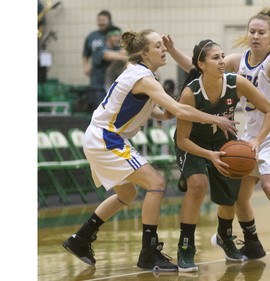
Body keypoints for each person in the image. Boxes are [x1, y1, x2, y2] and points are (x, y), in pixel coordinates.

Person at [62, 29, 239, 272]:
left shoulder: (140, 75)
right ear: (144, 53)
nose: (164, 49)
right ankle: (148, 252)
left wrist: (168, 109)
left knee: (127, 195)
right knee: (156, 183)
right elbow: (179, 112)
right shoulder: (143, 77)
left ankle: (81, 239)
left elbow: (160, 112)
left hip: (101, 137)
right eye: (157, 46)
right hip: (107, 139)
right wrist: (215, 119)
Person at [163, 6, 270, 268]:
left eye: (261, 32)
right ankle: (252, 243)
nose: (255, 36)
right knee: (239, 196)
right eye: (252, 31)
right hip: (251, 135)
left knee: (269, 186)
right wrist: (174, 50)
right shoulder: (238, 60)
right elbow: (200, 67)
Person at [171, 39, 270, 272]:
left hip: (223, 142)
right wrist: (209, 155)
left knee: (230, 191)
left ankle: (226, 236)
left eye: (222, 56)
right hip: (193, 145)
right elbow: (182, 140)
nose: (222, 62)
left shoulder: (235, 82)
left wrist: (256, 140)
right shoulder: (191, 93)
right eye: (215, 58)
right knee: (198, 186)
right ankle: (186, 247)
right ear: (201, 64)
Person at [82, 10, 127, 112]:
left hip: (111, 85)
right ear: (109, 37)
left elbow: (124, 51)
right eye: (115, 36)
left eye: (118, 36)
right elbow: (106, 55)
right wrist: (85, 66)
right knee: (100, 113)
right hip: (98, 86)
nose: (117, 38)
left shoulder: (116, 45)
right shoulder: (98, 45)